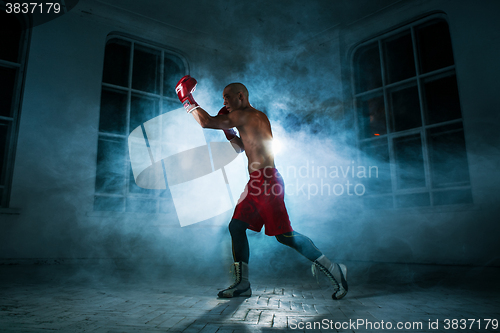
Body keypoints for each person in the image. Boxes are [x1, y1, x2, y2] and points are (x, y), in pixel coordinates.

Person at [175, 75, 348, 300]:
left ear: (241, 96)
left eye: (228, 97)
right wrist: (229, 132)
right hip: (256, 183)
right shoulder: (245, 118)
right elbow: (239, 149)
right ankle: (242, 285)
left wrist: (186, 98)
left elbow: (206, 122)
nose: (225, 102)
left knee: (285, 236)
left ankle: (335, 269)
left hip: (267, 183)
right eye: (223, 98)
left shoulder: (248, 114)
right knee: (236, 227)